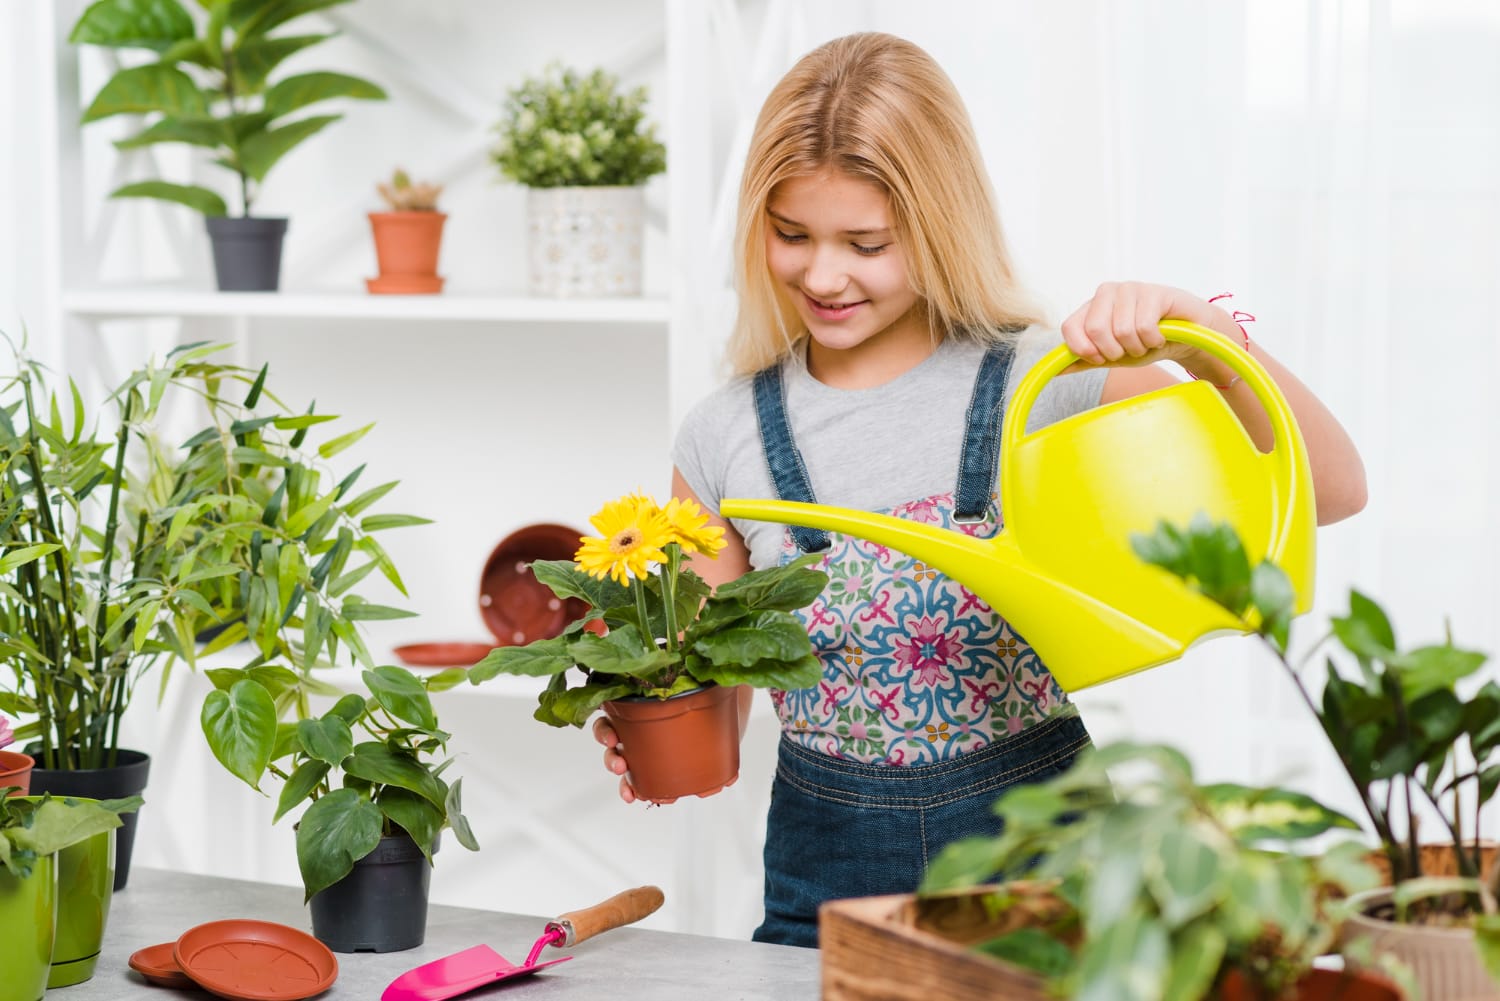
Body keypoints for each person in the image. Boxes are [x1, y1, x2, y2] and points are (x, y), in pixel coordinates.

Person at [592, 31, 1367, 949]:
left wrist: (1203, 338)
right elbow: (713, 697)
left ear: (939, 221)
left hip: (1049, 863)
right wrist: (647, 717)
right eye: (791, 234)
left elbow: (1328, 486)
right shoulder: (723, 435)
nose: (823, 274)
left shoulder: (1049, 385)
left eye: (867, 243)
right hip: (823, 876)